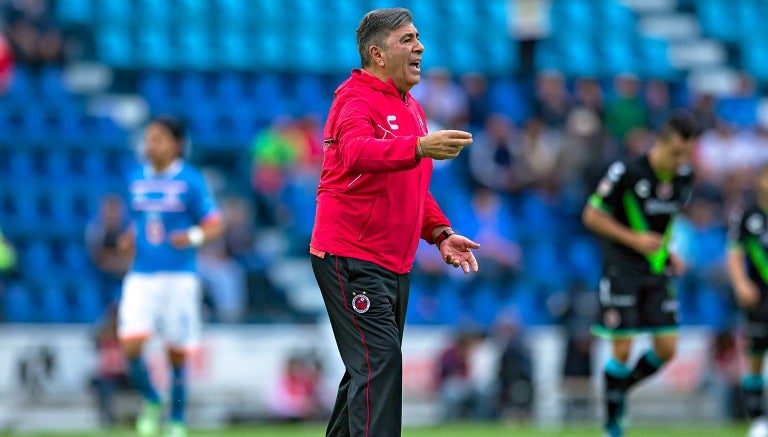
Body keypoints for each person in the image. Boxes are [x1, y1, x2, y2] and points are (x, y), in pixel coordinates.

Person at [309, 8, 480, 436]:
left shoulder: (412, 109)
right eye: (407, 39)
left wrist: (440, 233)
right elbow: (356, 153)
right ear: (377, 54)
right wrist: (419, 146)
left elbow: (412, 188)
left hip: (391, 262)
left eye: (418, 37)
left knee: (367, 369)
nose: (419, 46)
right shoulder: (353, 99)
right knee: (379, 364)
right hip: (350, 254)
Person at [582, 111, 699, 437]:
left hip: (656, 269)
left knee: (667, 349)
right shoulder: (627, 171)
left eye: (687, 154)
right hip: (622, 268)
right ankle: (612, 426)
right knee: (622, 349)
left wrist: (669, 252)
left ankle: (616, 391)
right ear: (659, 144)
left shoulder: (685, 177)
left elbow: (666, 219)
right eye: (676, 153)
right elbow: (591, 215)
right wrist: (635, 240)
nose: (681, 161)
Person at [117, 116, 223, 437]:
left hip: (179, 277)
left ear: (176, 144)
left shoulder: (190, 180)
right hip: (141, 275)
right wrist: (128, 236)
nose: (151, 145)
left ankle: (176, 421)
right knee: (130, 345)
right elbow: (139, 221)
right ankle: (152, 399)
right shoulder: (135, 178)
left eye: (159, 138)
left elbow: (214, 225)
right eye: (149, 138)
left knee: (176, 352)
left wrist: (191, 237)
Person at [727, 164, 768, 435]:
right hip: (760, 296)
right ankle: (757, 421)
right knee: (755, 354)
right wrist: (741, 284)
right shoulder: (747, 213)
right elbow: (734, 252)